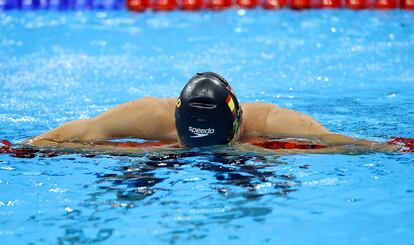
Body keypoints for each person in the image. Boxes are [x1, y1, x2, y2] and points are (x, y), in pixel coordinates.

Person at [23, 72, 404, 154]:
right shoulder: (144, 116)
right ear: (176, 122)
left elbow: (338, 143)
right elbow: (81, 132)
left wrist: (390, 148)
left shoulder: (278, 123)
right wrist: (28, 145)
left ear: (237, 124)